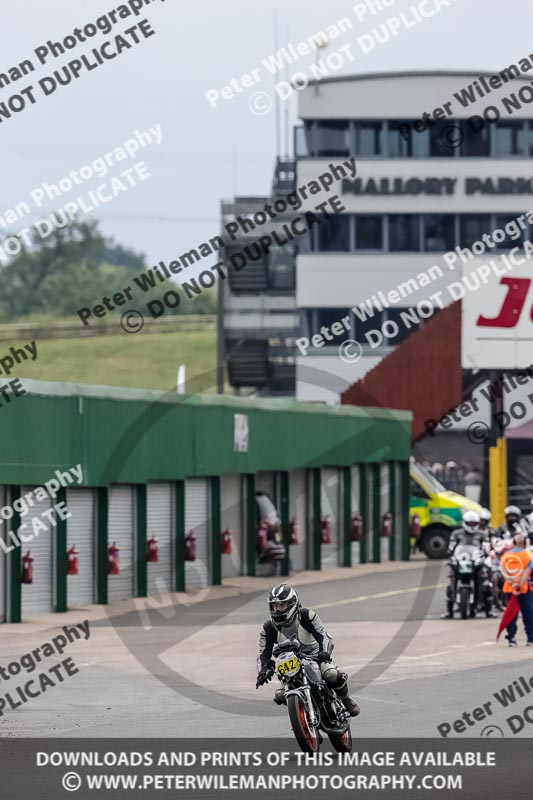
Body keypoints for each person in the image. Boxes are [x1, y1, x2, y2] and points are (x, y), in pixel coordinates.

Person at [256, 584, 360, 716]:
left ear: (292, 603)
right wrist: (262, 672)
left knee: (331, 674)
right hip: (290, 664)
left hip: (315, 657)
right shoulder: (268, 627)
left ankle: (346, 699)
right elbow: (263, 653)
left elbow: (324, 636)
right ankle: (303, 715)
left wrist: (324, 653)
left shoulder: (307, 615)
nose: (277, 609)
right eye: (274, 605)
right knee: (280, 694)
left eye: (281, 605)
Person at [441, 511, 494, 619]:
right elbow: (451, 547)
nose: (472, 526)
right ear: (465, 523)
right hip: (461, 560)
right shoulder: (456, 534)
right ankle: (449, 611)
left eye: (474, 523)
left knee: (486, 584)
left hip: (476, 561)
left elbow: (487, 547)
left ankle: (489, 610)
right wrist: (451, 554)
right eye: (470, 523)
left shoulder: (482, 534)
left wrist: (485, 554)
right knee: (451, 581)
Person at [500, 533, 533, 647]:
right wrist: (519, 584)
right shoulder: (528, 554)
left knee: (511, 613)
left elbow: (504, 571)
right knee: (528, 613)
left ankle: (511, 638)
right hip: (523, 589)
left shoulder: (506, 555)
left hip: (510, 589)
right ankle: (530, 638)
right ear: (525, 543)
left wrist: (512, 584)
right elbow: (528, 571)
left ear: (513, 542)